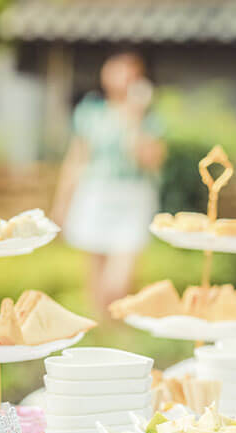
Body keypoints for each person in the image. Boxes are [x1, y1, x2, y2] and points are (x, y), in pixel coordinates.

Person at [51, 52, 165, 315]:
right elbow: (76, 159)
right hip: (96, 193)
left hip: (133, 196)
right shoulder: (91, 112)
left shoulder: (148, 119)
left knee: (119, 280)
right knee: (95, 276)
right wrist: (61, 204)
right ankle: (104, 333)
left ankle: (120, 326)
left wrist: (134, 118)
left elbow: (150, 161)